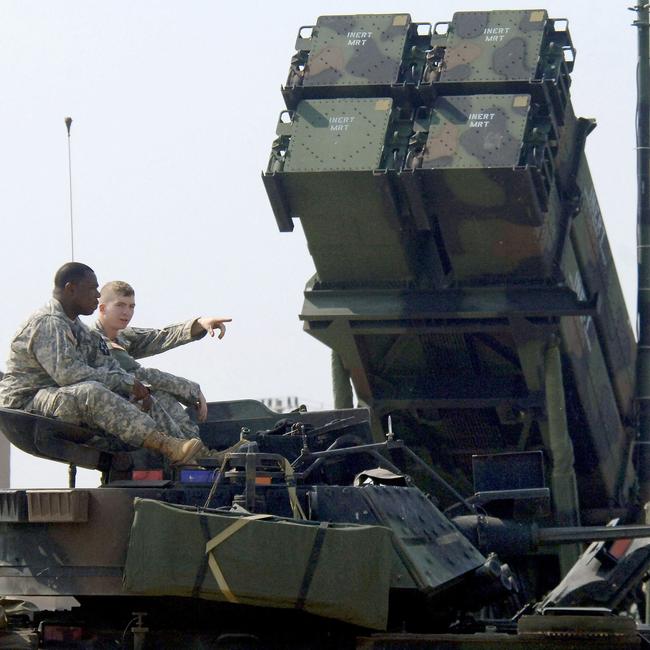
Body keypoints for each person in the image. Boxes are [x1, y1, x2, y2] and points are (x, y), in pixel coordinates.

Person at [0, 262, 207, 464]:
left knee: (143, 393)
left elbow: (108, 366)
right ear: (71, 289)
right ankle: (165, 445)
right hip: (25, 404)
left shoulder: (80, 329)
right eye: (92, 289)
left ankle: (192, 454)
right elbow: (68, 374)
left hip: (56, 397)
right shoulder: (48, 322)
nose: (97, 295)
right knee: (92, 392)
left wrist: (132, 386)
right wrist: (124, 383)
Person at [92, 280, 230, 440]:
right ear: (102, 308)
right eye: (120, 305)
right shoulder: (95, 340)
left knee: (158, 394)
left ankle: (194, 451)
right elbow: (138, 374)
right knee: (158, 396)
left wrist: (199, 324)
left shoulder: (121, 336)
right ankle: (190, 453)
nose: (127, 312)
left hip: (123, 406)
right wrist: (192, 390)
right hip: (106, 409)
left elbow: (159, 336)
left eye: (131, 307)